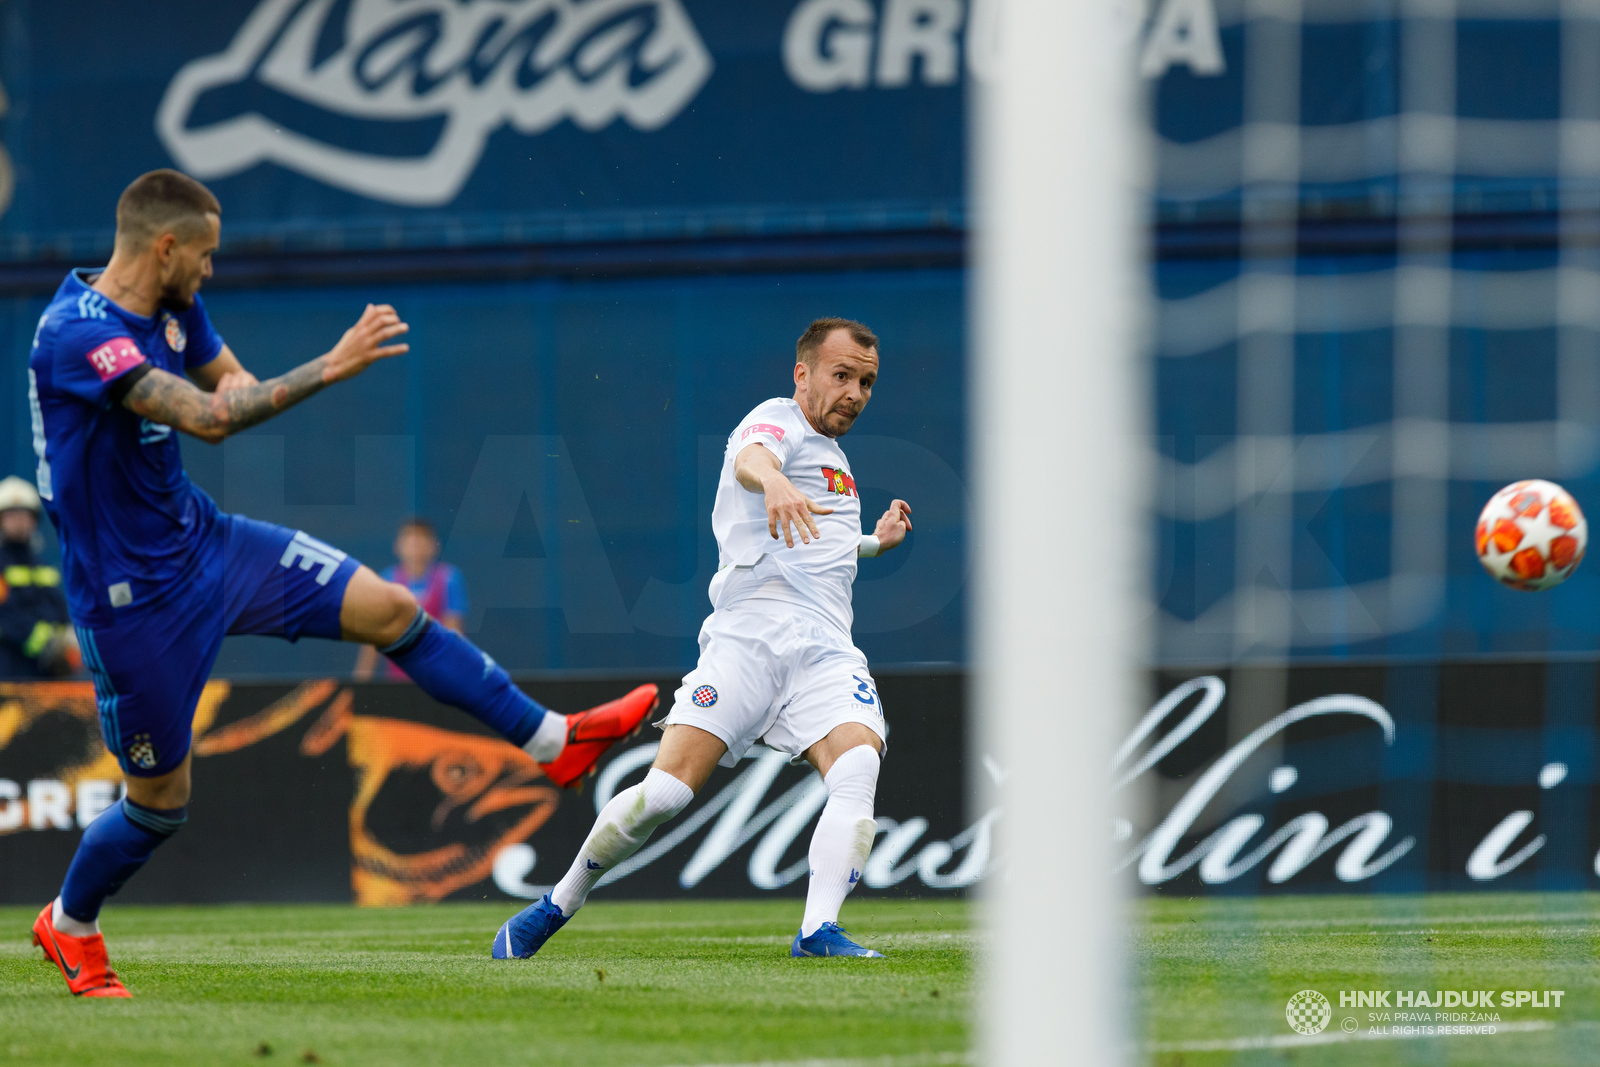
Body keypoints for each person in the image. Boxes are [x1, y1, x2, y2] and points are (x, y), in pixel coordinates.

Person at [26, 170, 658, 998]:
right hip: (129, 602)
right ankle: (70, 923)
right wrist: (330, 364)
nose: (212, 271)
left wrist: (294, 377)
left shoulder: (175, 307)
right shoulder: (73, 334)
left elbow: (236, 390)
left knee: (393, 608)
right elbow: (212, 418)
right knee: (160, 803)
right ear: (167, 246)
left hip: (207, 543)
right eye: (207, 256)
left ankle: (553, 740)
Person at [492, 317, 914, 961]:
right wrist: (771, 479)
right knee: (665, 794)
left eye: (866, 381)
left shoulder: (837, 463)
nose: (855, 391)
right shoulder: (775, 420)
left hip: (825, 649)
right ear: (803, 374)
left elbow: (820, 548)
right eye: (841, 375)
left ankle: (816, 931)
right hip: (750, 640)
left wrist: (874, 544)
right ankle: (559, 901)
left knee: (858, 766)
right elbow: (752, 460)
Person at [354, 518, 467, 681]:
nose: (415, 545)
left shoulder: (449, 578)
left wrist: (456, 679)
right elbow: (373, 636)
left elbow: (455, 636)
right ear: (397, 546)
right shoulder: (387, 580)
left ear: (434, 546)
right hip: (398, 682)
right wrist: (361, 682)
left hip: (440, 681)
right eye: (409, 538)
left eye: (422, 538)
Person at [0, 475, 77, 678]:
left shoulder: (44, 567)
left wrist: (67, 641)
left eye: (25, 515)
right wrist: (46, 643)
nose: (19, 522)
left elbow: (60, 610)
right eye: (12, 515)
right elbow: (7, 618)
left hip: (51, 675)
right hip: (10, 675)